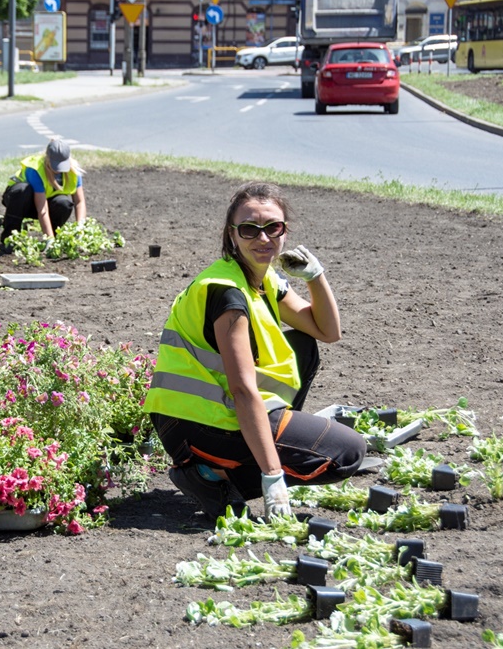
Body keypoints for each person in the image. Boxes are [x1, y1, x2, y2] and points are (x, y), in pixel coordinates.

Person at [144, 182, 366, 520]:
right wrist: (273, 475)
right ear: (232, 235)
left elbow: (327, 331)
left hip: (213, 415)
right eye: (249, 229)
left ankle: (216, 472)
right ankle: (208, 475)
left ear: (285, 232)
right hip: (194, 425)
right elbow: (243, 389)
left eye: (273, 228)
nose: (263, 239)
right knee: (347, 453)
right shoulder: (226, 292)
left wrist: (315, 276)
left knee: (303, 345)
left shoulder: (264, 281)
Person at [0, 139, 87, 248]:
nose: (59, 170)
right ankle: (10, 237)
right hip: (21, 201)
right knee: (22, 190)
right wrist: (48, 239)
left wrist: (80, 227)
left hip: (44, 200)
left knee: (64, 203)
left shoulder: (73, 172)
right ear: (48, 158)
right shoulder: (36, 170)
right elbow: (42, 209)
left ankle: (55, 238)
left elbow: (79, 202)